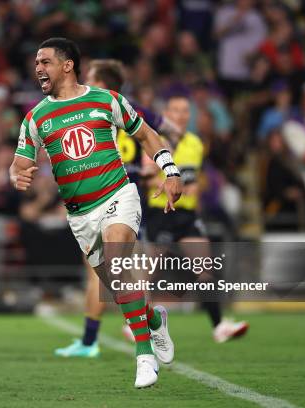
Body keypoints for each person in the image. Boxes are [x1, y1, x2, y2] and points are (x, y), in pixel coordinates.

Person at [10, 38, 182, 388]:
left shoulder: (107, 101)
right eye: (36, 62)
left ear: (67, 64)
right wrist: (17, 173)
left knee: (118, 260)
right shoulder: (35, 116)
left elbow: (148, 135)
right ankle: (152, 319)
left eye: (45, 61)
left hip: (118, 195)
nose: (38, 68)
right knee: (118, 288)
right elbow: (20, 161)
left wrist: (171, 170)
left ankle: (144, 356)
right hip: (79, 215)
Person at [54, 58, 181, 358]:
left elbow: (164, 134)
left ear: (104, 82)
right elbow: (171, 131)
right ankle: (133, 323)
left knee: (115, 269)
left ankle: (111, 334)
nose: (85, 81)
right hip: (104, 194)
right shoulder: (90, 109)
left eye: (92, 77)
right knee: (110, 272)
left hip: (122, 193)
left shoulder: (116, 106)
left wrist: (161, 167)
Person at [142, 93, 248, 344]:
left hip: (187, 215)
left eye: (185, 111)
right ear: (166, 114)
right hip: (161, 213)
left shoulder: (196, 144)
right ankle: (137, 322)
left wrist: (195, 191)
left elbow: (195, 179)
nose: (180, 115)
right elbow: (146, 176)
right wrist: (169, 183)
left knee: (205, 269)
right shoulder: (155, 141)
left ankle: (219, 325)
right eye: (175, 110)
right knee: (149, 272)